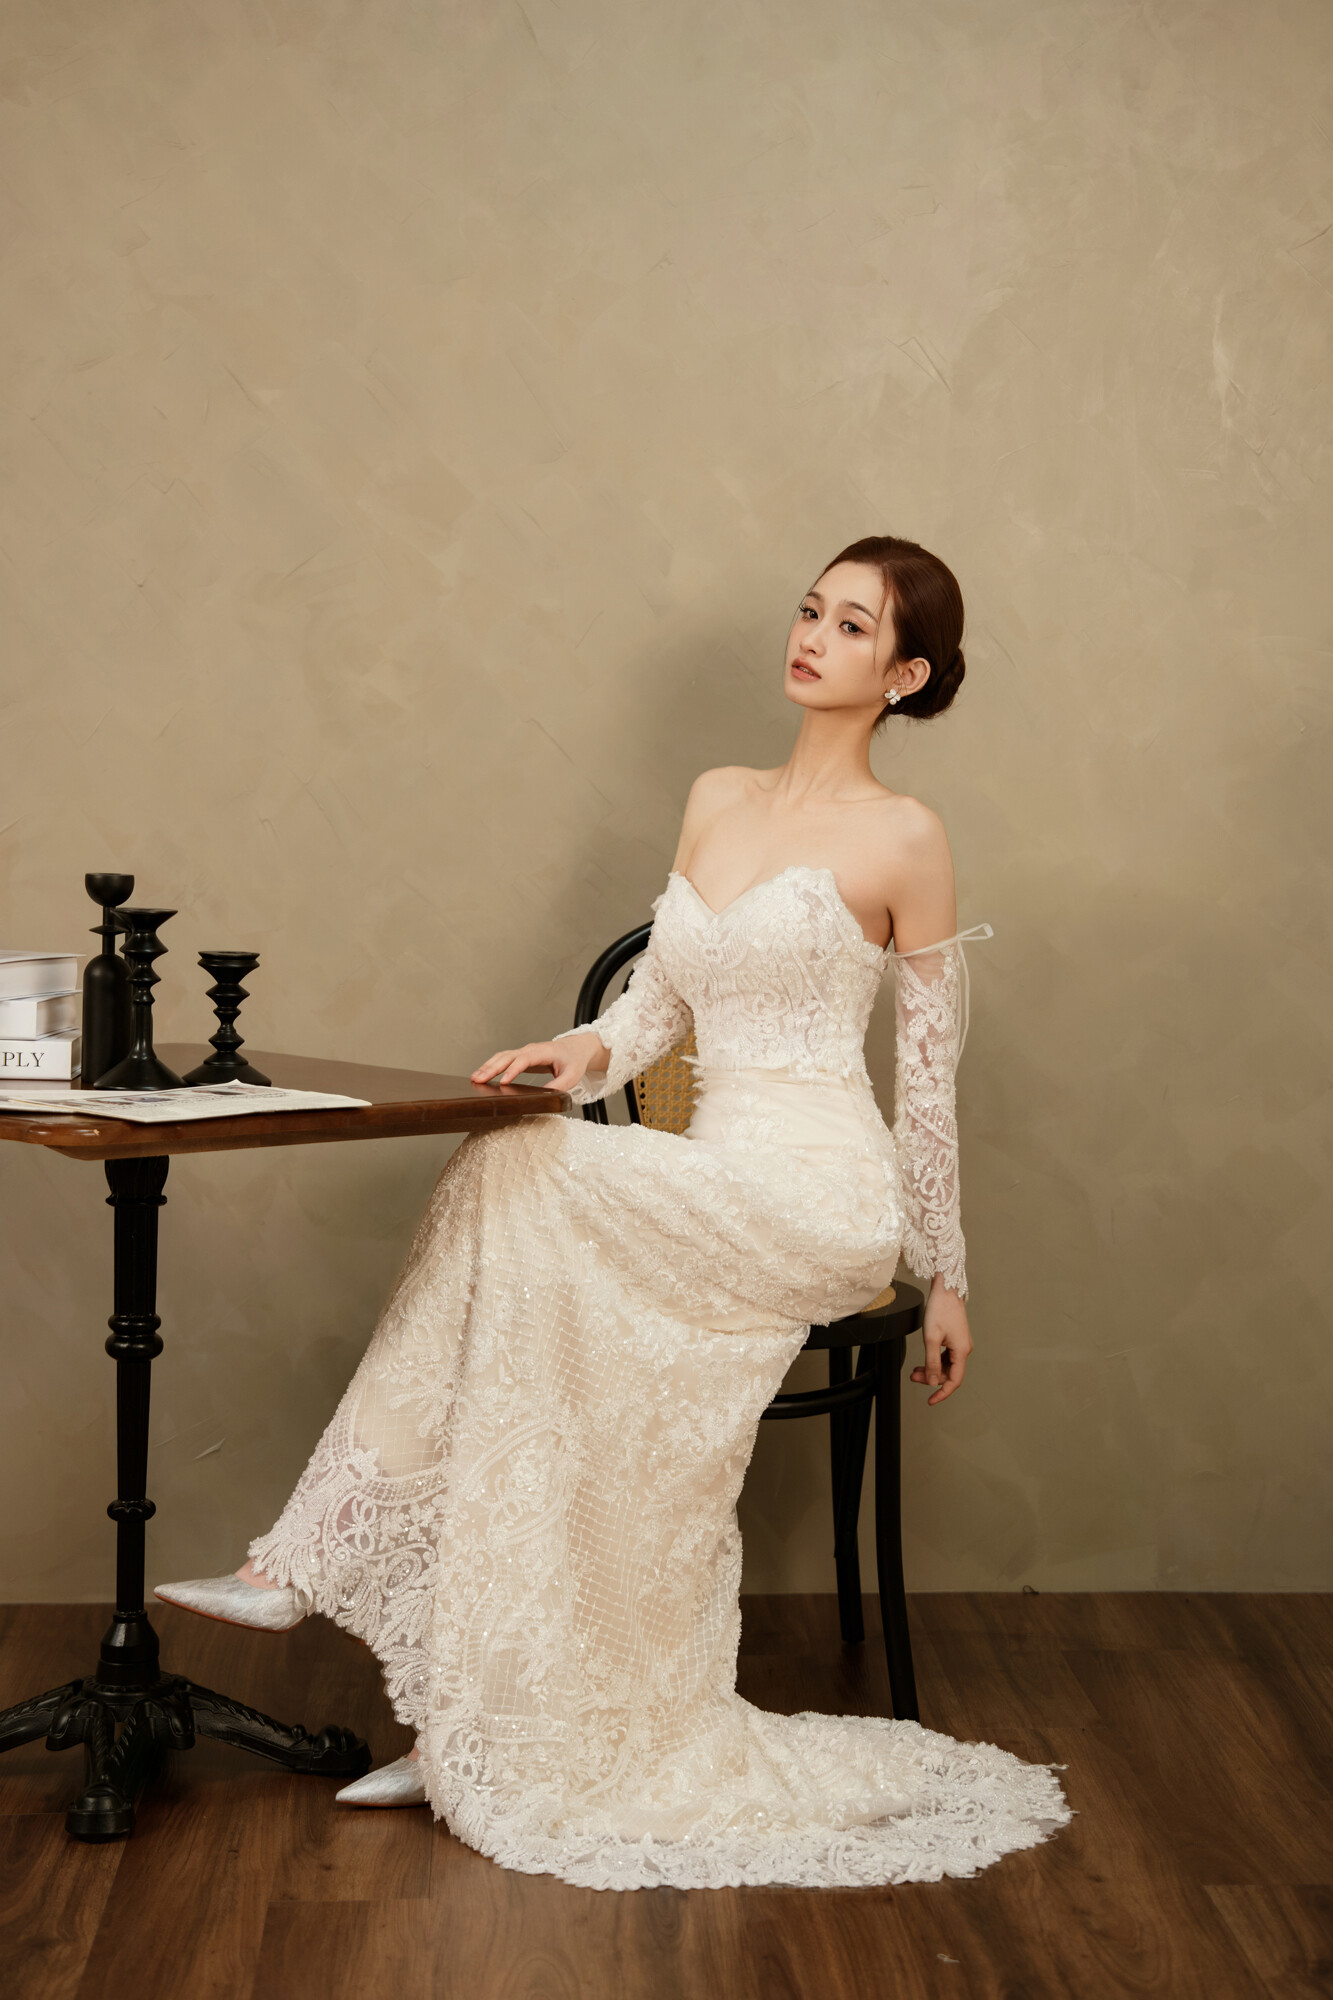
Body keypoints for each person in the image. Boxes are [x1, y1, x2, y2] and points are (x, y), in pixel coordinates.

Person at [156, 536, 1069, 1890]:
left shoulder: (906, 836)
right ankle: (482, 1731)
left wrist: (946, 1275)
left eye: (852, 625)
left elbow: (926, 1079)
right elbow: (658, 1007)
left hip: (817, 1194)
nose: (811, 636)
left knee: (514, 1172)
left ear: (907, 674)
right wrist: (576, 1052)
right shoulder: (717, 797)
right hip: (707, 1178)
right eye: (809, 609)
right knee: (531, 1292)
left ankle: (313, 1557)